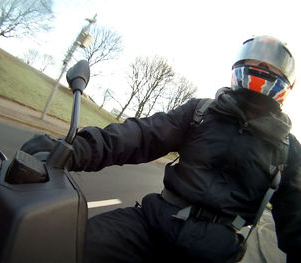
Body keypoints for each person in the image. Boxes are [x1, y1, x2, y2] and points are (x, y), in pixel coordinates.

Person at [22, 35, 300, 263]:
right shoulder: (201, 111)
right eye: (254, 58)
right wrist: (77, 148)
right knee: (69, 246)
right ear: (238, 64)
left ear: (288, 81)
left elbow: (296, 220)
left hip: (214, 253)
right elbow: (143, 135)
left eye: (273, 65)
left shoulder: (290, 150)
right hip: (152, 224)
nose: (262, 65)